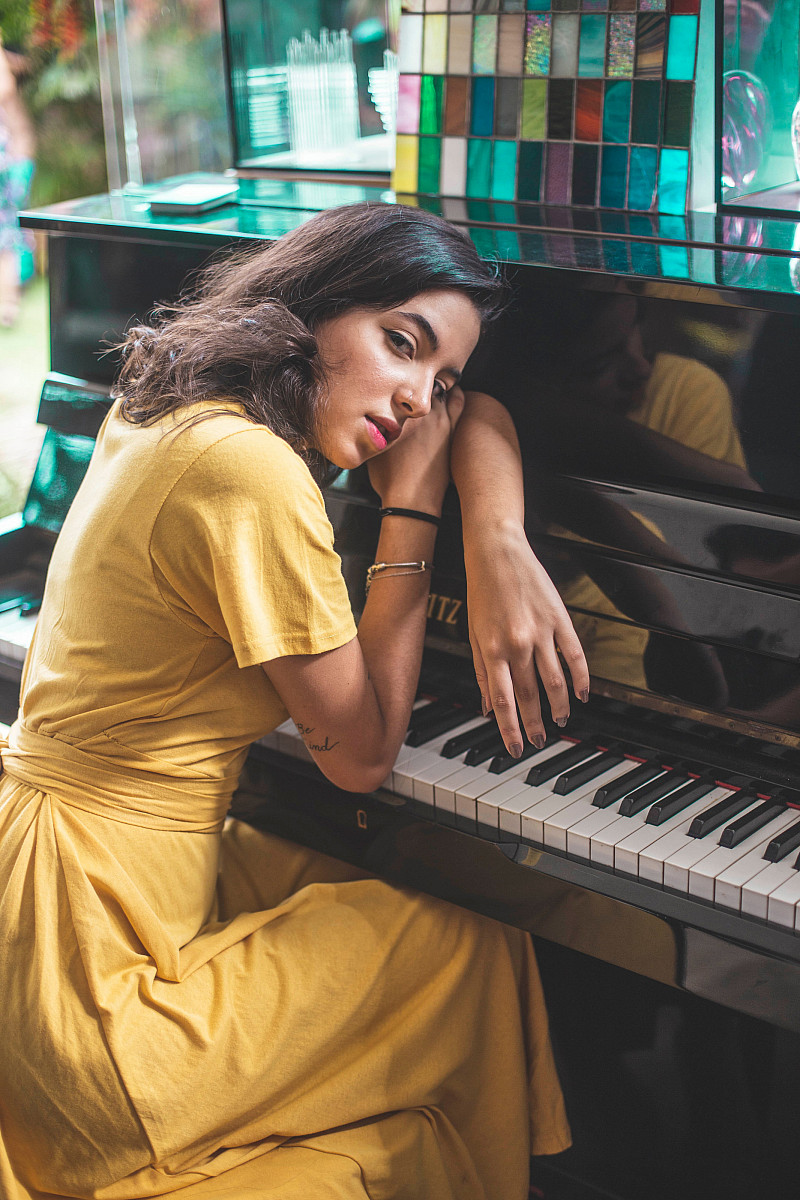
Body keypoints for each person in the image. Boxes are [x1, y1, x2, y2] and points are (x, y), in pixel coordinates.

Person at [0, 203, 589, 1200]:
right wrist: (413, 508)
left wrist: (494, 533)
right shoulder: (251, 474)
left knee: (405, 904)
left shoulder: (172, 402)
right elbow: (358, 756)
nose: (412, 399)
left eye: (435, 377)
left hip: (44, 890)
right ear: (316, 306)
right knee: (468, 950)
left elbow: (466, 416)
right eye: (398, 344)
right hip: (97, 1002)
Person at [0, 34, 35, 328]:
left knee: (7, 237)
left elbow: (6, 88)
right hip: (12, 159)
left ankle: (8, 305)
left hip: (9, 163)